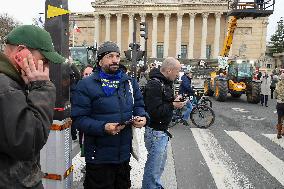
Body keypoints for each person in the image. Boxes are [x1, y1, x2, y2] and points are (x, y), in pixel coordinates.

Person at [71, 41, 148, 189]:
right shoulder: (86, 85)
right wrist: (103, 127)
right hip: (98, 158)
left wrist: (143, 117)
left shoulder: (129, 83)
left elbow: (139, 105)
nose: (115, 60)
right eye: (110, 56)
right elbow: (79, 119)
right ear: (100, 61)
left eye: (117, 56)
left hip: (123, 156)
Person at [0, 25, 65, 188]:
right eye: (44, 60)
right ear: (20, 53)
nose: (46, 68)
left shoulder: (11, 82)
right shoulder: (6, 88)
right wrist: (43, 88)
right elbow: (28, 143)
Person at [142, 57, 185, 189]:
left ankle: (155, 186)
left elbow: (164, 102)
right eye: (177, 71)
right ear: (169, 70)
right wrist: (173, 105)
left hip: (161, 133)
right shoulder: (155, 84)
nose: (178, 74)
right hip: (155, 133)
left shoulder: (165, 82)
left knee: (159, 167)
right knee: (153, 169)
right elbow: (154, 111)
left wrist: (174, 100)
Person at [274, 73, 284, 139]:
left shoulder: (278, 84)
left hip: (280, 103)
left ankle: (279, 133)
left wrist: (277, 97)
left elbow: (275, 94)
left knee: (279, 119)